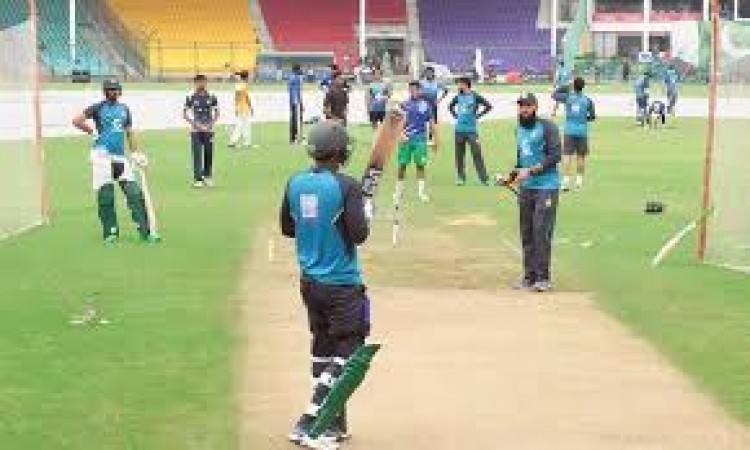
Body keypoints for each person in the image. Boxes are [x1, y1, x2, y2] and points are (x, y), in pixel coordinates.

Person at [281, 121, 371, 445]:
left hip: (310, 283)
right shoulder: (347, 186)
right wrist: (365, 211)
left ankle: (335, 423)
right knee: (351, 353)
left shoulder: (295, 182)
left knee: (324, 350)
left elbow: (289, 228)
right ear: (340, 151)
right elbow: (359, 235)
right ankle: (312, 421)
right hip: (342, 284)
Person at [71, 79, 159, 244]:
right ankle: (110, 232)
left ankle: (145, 231)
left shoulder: (125, 109)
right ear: (105, 92)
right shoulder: (97, 108)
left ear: (120, 91)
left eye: (115, 89)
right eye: (109, 89)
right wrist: (92, 132)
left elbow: (129, 132)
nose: (112, 92)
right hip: (101, 156)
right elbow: (76, 120)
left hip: (120, 158)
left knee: (134, 193)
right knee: (106, 195)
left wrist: (135, 152)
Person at [509, 93, 561, 292]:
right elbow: (522, 160)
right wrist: (511, 177)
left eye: (528, 106)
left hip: (546, 186)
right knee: (527, 231)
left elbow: (555, 155)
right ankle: (529, 276)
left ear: (535, 107)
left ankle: (543, 277)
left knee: (541, 230)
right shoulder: (519, 129)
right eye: (521, 106)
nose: (524, 109)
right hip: (526, 188)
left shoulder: (547, 127)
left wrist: (530, 171)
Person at [395, 81, 435, 204]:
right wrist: (400, 134)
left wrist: (433, 138)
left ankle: (421, 193)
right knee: (402, 165)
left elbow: (431, 122)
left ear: (420, 91)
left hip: (420, 139)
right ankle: (398, 192)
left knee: (420, 165)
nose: (412, 92)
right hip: (405, 140)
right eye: (410, 90)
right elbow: (395, 121)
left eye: (414, 90)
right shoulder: (404, 105)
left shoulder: (425, 105)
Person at [448, 76, 493, 186]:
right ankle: (461, 178)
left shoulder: (475, 96)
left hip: (471, 130)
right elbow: (450, 106)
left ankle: (484, 179)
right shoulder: (458, 97)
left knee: (477, 154)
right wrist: (455, 116)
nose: (458, 86)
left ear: (465, 84)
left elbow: (488, 106)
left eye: (459, 83)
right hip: (459, 130)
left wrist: (478, 115)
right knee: (459, 155)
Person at [183, 74, 219, 188]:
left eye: (203, 82)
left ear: (206, 82)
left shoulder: (212, 96)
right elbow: (184, 114)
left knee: (209, 153)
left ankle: (207, 177)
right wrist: (195, 124)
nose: (201, 84)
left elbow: (217, 113)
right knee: (197, 154)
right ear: (195, 83)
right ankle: (198, 179)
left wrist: (210, 124)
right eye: (199, 82)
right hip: (195, 130)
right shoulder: (190, 97)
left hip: (209, 129)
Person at [561, 77, 596, 192]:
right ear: (583, 87)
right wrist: (583, 118)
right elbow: (592, 117)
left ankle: (565, 182)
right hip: (582, 131)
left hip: (569, 131)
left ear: (573, 86)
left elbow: (554, 94)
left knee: (567, 156)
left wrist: (566, 85)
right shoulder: (588, 100)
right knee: (581, 157)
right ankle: (578, 183)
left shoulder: (568, 98)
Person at [229, 70, 256, 148]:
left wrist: (249, 107)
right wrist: (249, 107)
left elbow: (243, 97)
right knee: (243, 125)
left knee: (243, 125)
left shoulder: (241, 85)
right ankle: (237, 141)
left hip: (243, 108)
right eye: (248, 77)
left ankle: (240, 141)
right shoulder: (243, 85)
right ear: (246, 77)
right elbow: (240, 97)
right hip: (243, 108)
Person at [420, 66, 448, 139]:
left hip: (433, 103)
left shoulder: (437, 82)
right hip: (424, 103)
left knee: (432, 121)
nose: (428, 74)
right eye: (427, 73)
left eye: (430, 72)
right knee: (421, 120)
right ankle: (422, 135)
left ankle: (431, 136)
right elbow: (417, 91)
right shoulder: (422, 82)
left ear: (433, 73)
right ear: (425, 73)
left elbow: (445, 90)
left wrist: (439, 100)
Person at [289, 63, 305, 144]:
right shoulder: (295, 78)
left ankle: (294, 138)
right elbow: (294, 91)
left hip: (295, 101)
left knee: (295, 119)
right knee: (296, 120)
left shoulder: (294, 77)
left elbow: (297, 91)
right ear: (297, 70)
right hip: (295, 102)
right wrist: (298, 103)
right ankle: (296, 138)